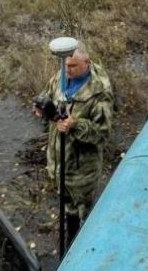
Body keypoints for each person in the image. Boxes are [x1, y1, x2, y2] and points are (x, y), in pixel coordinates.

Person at [33, 44, 114, 249]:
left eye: (73, 66)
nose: (67, 70)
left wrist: (75, 124)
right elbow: (49, 95)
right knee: (68, 206)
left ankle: (88, 247)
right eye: (65, 65)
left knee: (86, 211)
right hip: (60, 164)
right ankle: (71, 238)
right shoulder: (62, 76)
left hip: (82, 171)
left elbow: (103, 134)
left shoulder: (100, 93)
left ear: (87, 63)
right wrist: (43, 109)